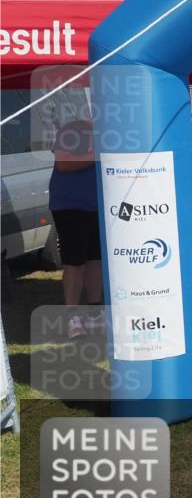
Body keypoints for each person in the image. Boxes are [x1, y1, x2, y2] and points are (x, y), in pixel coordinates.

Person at [49, 119, 103, 338]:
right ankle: (73, 317)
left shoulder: (115, 132)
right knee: (75, 264)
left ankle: (95, 313)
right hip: (70, 206)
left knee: (95, 260)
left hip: (98, 205)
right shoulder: (72, 129)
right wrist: (99, 155)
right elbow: (63, 163)